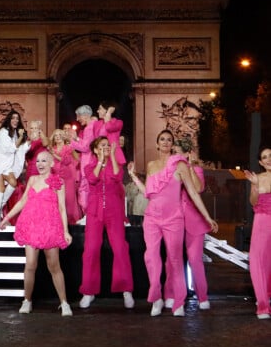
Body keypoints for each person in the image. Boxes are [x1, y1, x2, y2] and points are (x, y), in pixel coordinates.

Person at [127, 129, 218, 317]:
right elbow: (148, 193)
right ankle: (156, 298)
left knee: (175, 260)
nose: (166, 142)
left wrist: (207, 217)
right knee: (151, 257)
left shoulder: (180, 164)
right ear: (158, 144)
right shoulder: (151, 165)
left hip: (173, 218)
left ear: (172, 144)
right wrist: (134, 176)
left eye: (169, 140)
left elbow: (193, 192)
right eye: (162, 139)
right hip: (152, 216)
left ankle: (178, 302)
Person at [0, 150, 73, 316]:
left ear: (52, 163)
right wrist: (6, 218)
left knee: (54, 266)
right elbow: (23, 201)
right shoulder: (32, 180)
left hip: (50, 227)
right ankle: (27, 300)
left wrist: (65, 231)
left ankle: (64, 302)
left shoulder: (57, 182)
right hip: (31, 225)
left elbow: (62, 208)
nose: (40, 164)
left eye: (44, 161)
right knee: (30, 264)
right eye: (38, 161)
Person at [78, 136, 135, 310]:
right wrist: (100, 161)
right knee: (91, 250)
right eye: (102, 146)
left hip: (114, 211)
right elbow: (93, 179)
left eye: (107, 146)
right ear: (95, 150)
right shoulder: (89, 166)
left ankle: (126, 290)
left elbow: (118, 177)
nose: (105, 148)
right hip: (95, 212)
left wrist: (114, 155)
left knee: (120, 248)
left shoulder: (115, 164)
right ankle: (88, 291)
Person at [163, 137, 217, 310]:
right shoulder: (169, 170)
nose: (175, 156)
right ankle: (170, 294)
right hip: (174, 220)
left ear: (187, 154)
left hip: (195, 221)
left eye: (178, 153)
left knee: (195, 260)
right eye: (174, 153)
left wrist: (190, 168)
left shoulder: (196, 169)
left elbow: (199, 188)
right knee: (172, 259)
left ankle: (203, 297)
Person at [0, 109, 30, 226]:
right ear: (9, 119)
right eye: (13, 118)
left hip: (6, 166)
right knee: (0, 187)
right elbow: (9, 149)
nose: (15, 120)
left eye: (17, 119)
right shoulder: (3, 131)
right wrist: (20, 138)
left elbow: (21, 149)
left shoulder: (15, 134)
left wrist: (28, 141)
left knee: (13, 182)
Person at [244, 145, 271, 319]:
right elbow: (253, 202)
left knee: (268, 261)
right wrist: (254, 186)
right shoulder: (258, 178)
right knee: (256, 260)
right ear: (261, 162)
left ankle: (266, 294)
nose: (269, 159)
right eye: (265, 157)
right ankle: (262, 305)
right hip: (262, 220)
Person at [49, 128, 80, 224]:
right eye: (56, 135)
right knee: (56, 200)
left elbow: (66, 161)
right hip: (55, 176)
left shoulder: (67, 147)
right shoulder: (52, 148)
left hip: (67, 177)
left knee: (69, 200)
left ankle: (71, 222)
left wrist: (54, 154)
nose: (57, 137)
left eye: (59, 135)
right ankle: (58, 222)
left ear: (63, 136)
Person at [73, 105, 97, 212]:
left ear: (85, 115)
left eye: (78, 116)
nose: (77, 119)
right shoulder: (92, 126)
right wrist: (76, 138)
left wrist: (71, 141)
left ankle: (87, 215)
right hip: (90, 162)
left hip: (88, 163)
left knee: (85, 190)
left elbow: (85, 147)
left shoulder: (89, 127)